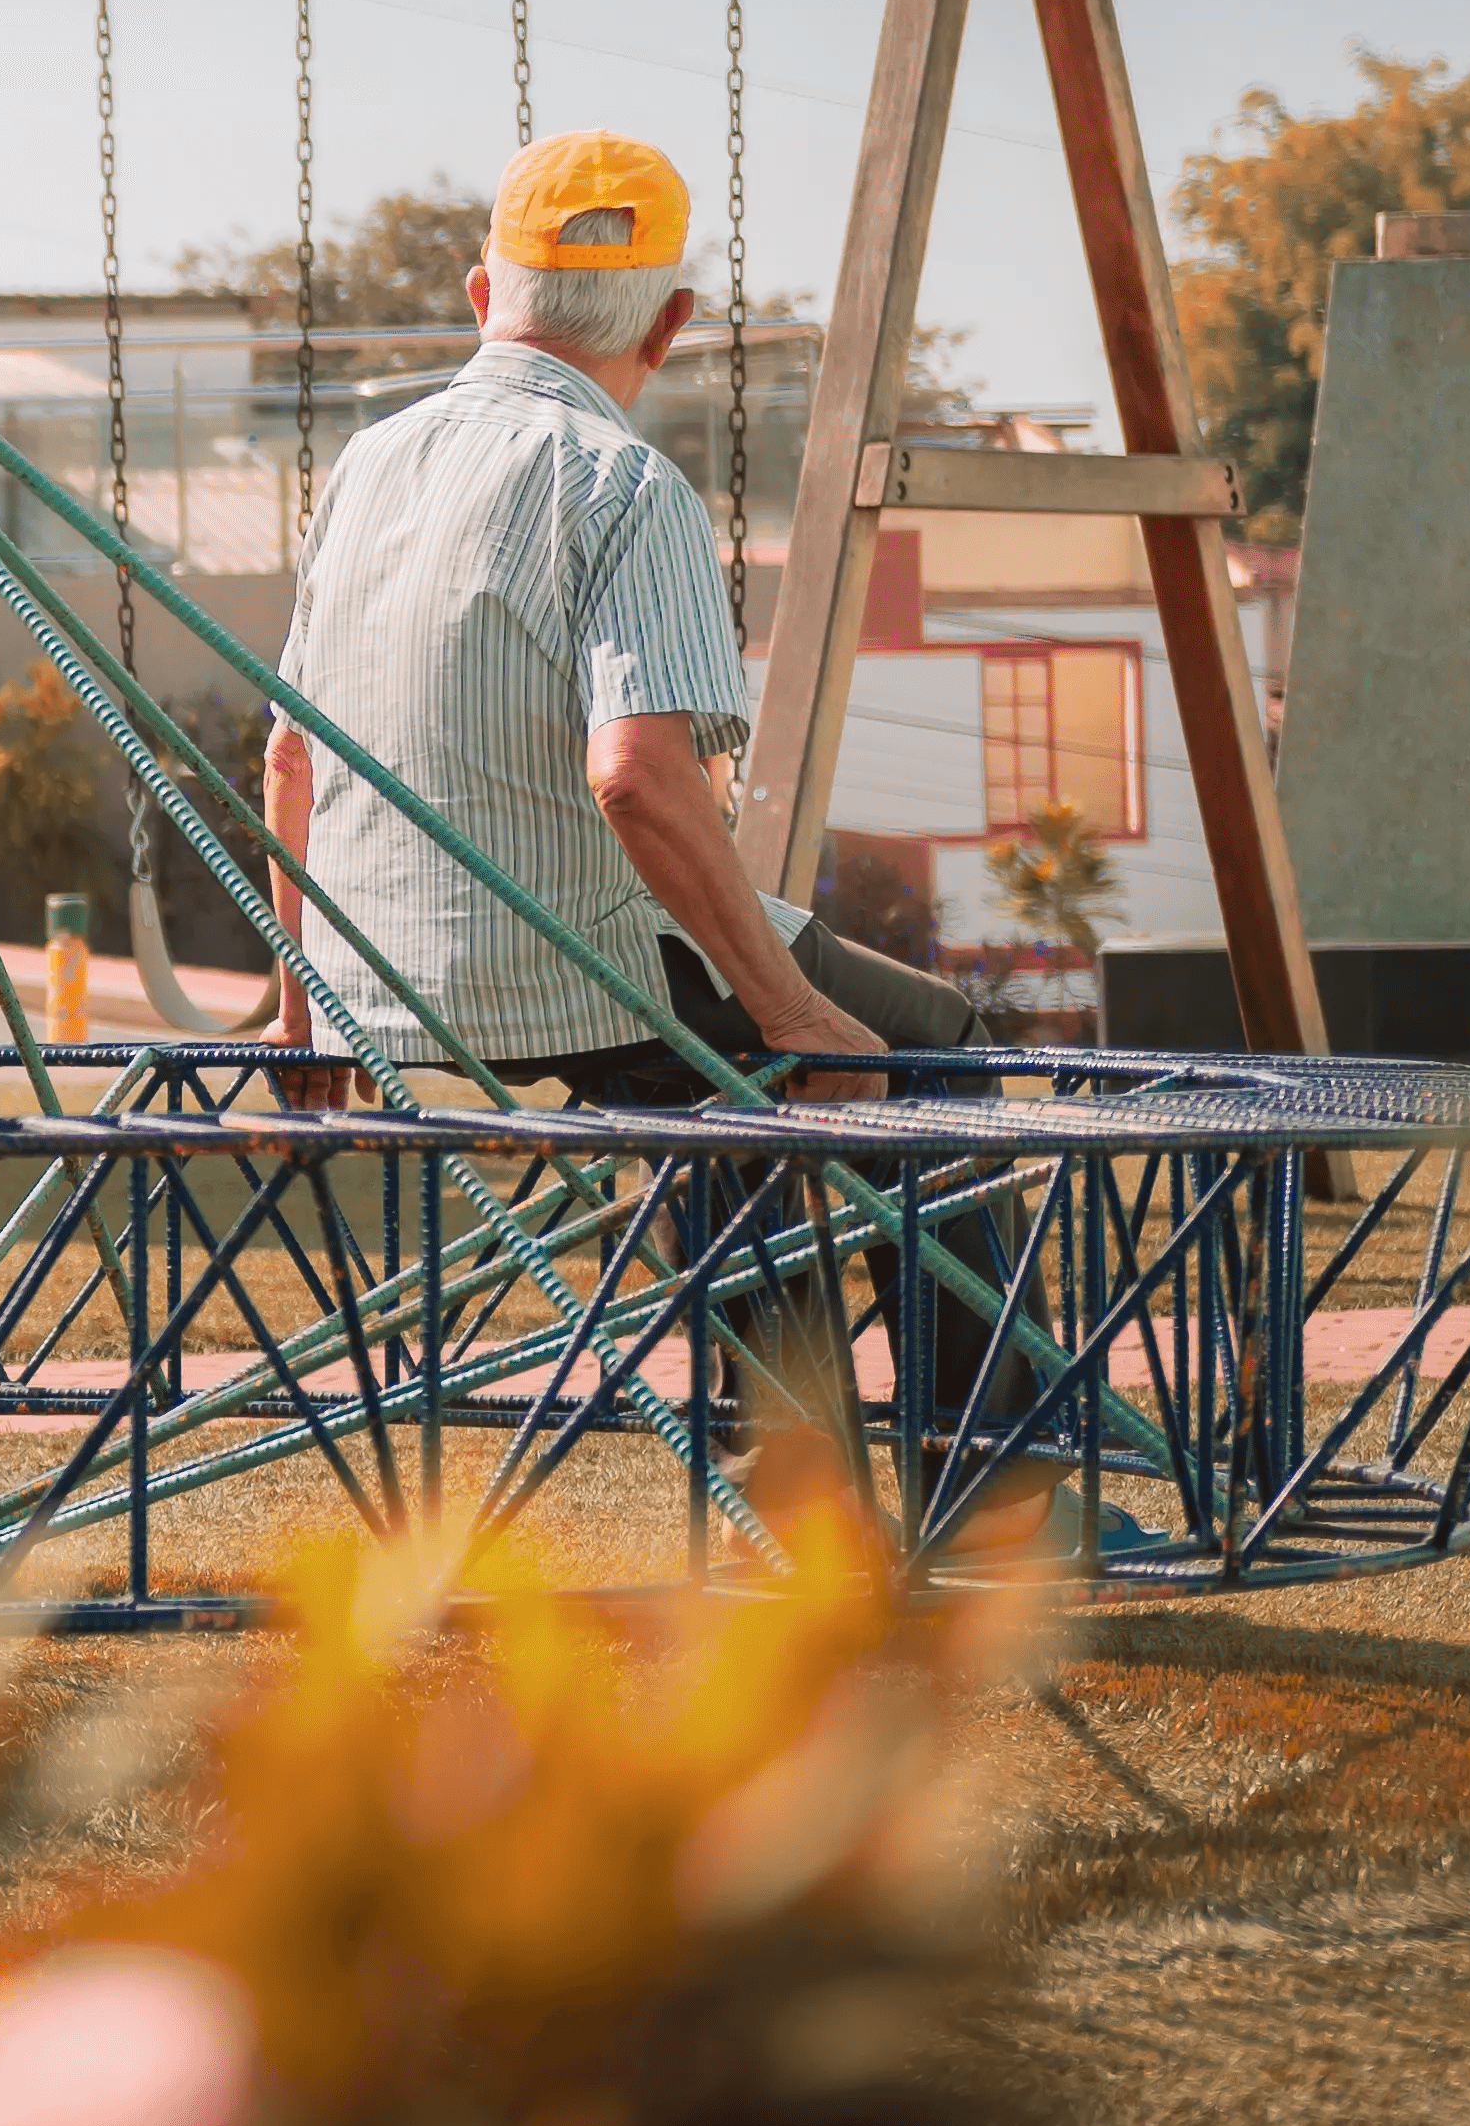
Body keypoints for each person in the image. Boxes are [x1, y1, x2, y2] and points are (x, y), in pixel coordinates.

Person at [256, 134, 1027, 1487]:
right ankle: (998, 1490)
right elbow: (637, 778)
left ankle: (806, 1495)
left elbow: (287, 764)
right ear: (672, 325)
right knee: (919, 1040)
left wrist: (299, 1001)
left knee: (730, 1077)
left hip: (374, 990)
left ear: (481, 291)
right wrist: (789, 1003)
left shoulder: (365, 466)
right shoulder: (618, 485)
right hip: (577, 981)